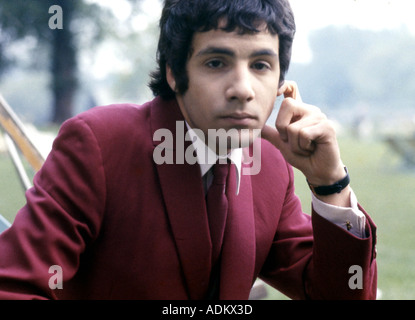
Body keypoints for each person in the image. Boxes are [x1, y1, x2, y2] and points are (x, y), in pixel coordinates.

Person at [0, 0, 377, 300]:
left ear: (281, 82)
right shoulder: (98, 144)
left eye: (261, 65)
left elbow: (337, 293)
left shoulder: (270, 166)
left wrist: (330, 183)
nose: (243, 88)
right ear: (174, 72)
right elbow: (15, 287)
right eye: (217, 62)